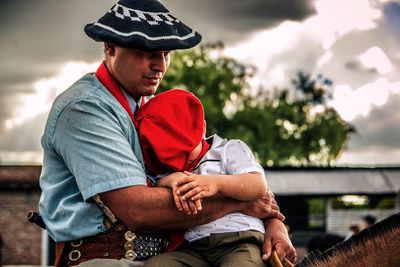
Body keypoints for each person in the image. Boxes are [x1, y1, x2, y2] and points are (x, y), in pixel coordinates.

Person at [37, 0, 296, 266]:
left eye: (165, 53)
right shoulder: (85, 107)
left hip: (176, 255)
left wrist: (273, 222)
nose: (160, 65)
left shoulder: (151, 109)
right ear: (110, 47)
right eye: (146, 51)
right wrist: (237, 203)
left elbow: (224, 169)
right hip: (107, 259)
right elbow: (139, 210)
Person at [133, 89, 292, 267]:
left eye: (187, 149)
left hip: (238, 240)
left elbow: (257, 185)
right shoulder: (170, 169)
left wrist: (216, 183)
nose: (182, 159)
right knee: (157, 265)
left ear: (202, 128)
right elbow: (157, 184)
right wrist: (171, 180)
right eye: (173, 154)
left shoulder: (228, 150)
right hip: (193, 247)